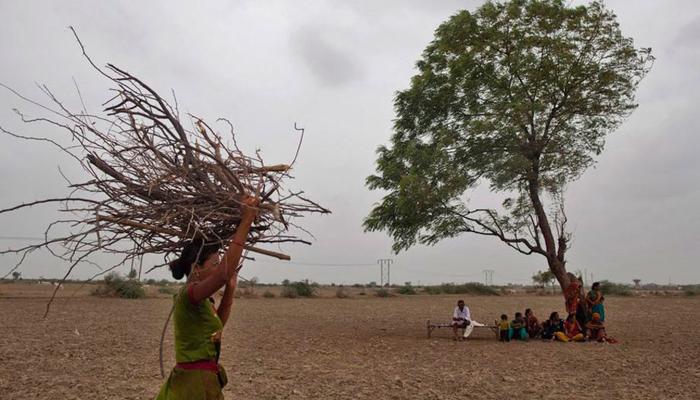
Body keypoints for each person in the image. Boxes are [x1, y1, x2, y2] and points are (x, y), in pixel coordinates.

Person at [155, 197, 258, 400]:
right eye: (214, 264)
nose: (218, 268)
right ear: (196, 268)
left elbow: (216, 326)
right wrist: (246, 221)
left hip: (201, 382)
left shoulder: (202, 300)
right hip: (193, 387)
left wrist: (230, 289)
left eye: (219, 264)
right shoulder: (189, 294)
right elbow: (223, 274)